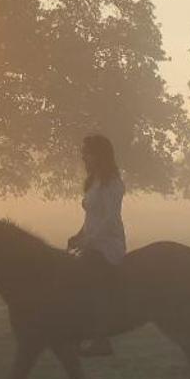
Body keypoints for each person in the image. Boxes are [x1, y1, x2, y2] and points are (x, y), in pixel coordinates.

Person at [66, 134, 126, 356]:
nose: (83, 156)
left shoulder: (113, 184)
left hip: (109, 243)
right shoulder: (94, 183)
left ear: (99, 155)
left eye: (87, 152)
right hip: (92, 241)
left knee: (89, 276)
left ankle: (102, 339)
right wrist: (79, 235)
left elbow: (110, 218)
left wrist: (90, 240)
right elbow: (90, 218)